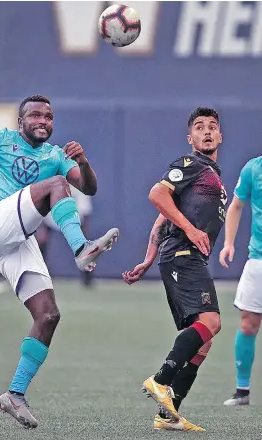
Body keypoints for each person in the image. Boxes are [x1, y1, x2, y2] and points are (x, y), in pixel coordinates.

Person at [0, 94, 119, 429]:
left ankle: (14, 394)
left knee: (48, 315)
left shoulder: (56, 155)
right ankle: (81, 249)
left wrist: (85, 163)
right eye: (35, 116)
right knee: (57, 185)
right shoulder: (0, 139)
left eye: (48, 116)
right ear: (21, 121)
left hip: (15, 240)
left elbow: (89, 188)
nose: (43, 121)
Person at [123, 107, 227, 432]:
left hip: (183, 256)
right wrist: (192, 231)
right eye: (199, 127)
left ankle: (168, 415)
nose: (207, 131)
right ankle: (160, 380)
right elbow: (157, 194)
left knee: (203, 340)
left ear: (220, 136)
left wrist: (148, 258)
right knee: (212, 322)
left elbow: (163, 216)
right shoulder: (191, 164)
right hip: (184, 253)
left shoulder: (211, 172)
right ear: (190, 138)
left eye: (212, 127)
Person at [219, 156, 262, 406]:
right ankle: (242, 391)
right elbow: (236, 206)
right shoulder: (253, 168)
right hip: (257, 259)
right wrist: (228, 243)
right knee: (248, 323)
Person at [36, 186, 94, 287]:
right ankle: (40, 275)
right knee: (42, 239)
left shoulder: (78, 181)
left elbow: (84, 207)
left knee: (83, 244)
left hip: (74, 215)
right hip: (51, 214)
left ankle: (87, 276)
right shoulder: (50, 178)